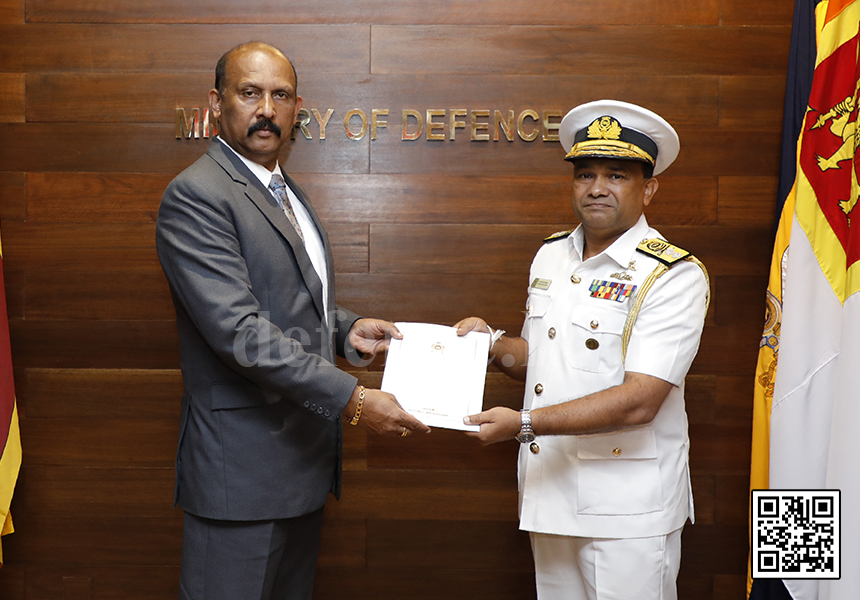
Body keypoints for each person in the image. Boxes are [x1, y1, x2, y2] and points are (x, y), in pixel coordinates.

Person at [155, 41, 429, 600]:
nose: (266, 109)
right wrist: (353, 400)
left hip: (300, 467)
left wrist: (344, 329)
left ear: (296, 107)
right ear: (217, 102)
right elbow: (240, 333)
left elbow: (288, 299)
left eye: (280, 96)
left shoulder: (285, 190)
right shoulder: (197, 196)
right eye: (249, 93)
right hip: (242, 477)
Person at [455, 100, 710, 600]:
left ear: (649, 188)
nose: (596, 187)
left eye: (616, 175)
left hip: (626, 509)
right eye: (585, 174)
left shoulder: (671, 275)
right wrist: (488, 347)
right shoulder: (552, 254)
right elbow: (539, 359)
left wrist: (524, 424)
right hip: (549, 493)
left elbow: (640, 400)